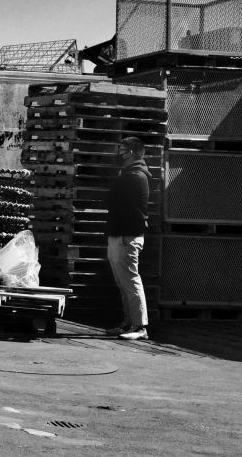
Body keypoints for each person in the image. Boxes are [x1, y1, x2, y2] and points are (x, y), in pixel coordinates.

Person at [104, 136, 151, 341]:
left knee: (130, 282)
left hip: (126, 237)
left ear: (131, 153)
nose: (118, 153)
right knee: (123, 283)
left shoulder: (134, 176)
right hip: (119, 235)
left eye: (122, 150)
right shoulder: (129, 174)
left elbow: (111, 199)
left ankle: (140, 326)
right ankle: (128, 323)